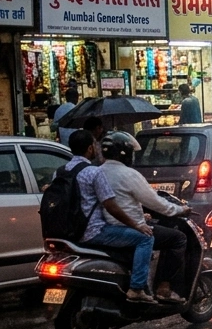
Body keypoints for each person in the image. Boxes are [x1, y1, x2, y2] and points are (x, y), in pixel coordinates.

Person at [63, 130, 159, 304]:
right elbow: (111, 206)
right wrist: (137, 225)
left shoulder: (61, 171)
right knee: (145, 238)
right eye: (95, 145)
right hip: (93, 232)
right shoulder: (93, 172)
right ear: (90, 148)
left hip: (69, 232)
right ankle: (137, 288)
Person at [98, 132, 189, 302]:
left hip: (108, 227)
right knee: (178, 238)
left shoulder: (97, 172)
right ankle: (162, 288)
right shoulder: (128, 174)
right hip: (126, 228)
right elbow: (154, 201)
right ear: (125, 153)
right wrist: (179, 210)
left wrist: (142, 215)